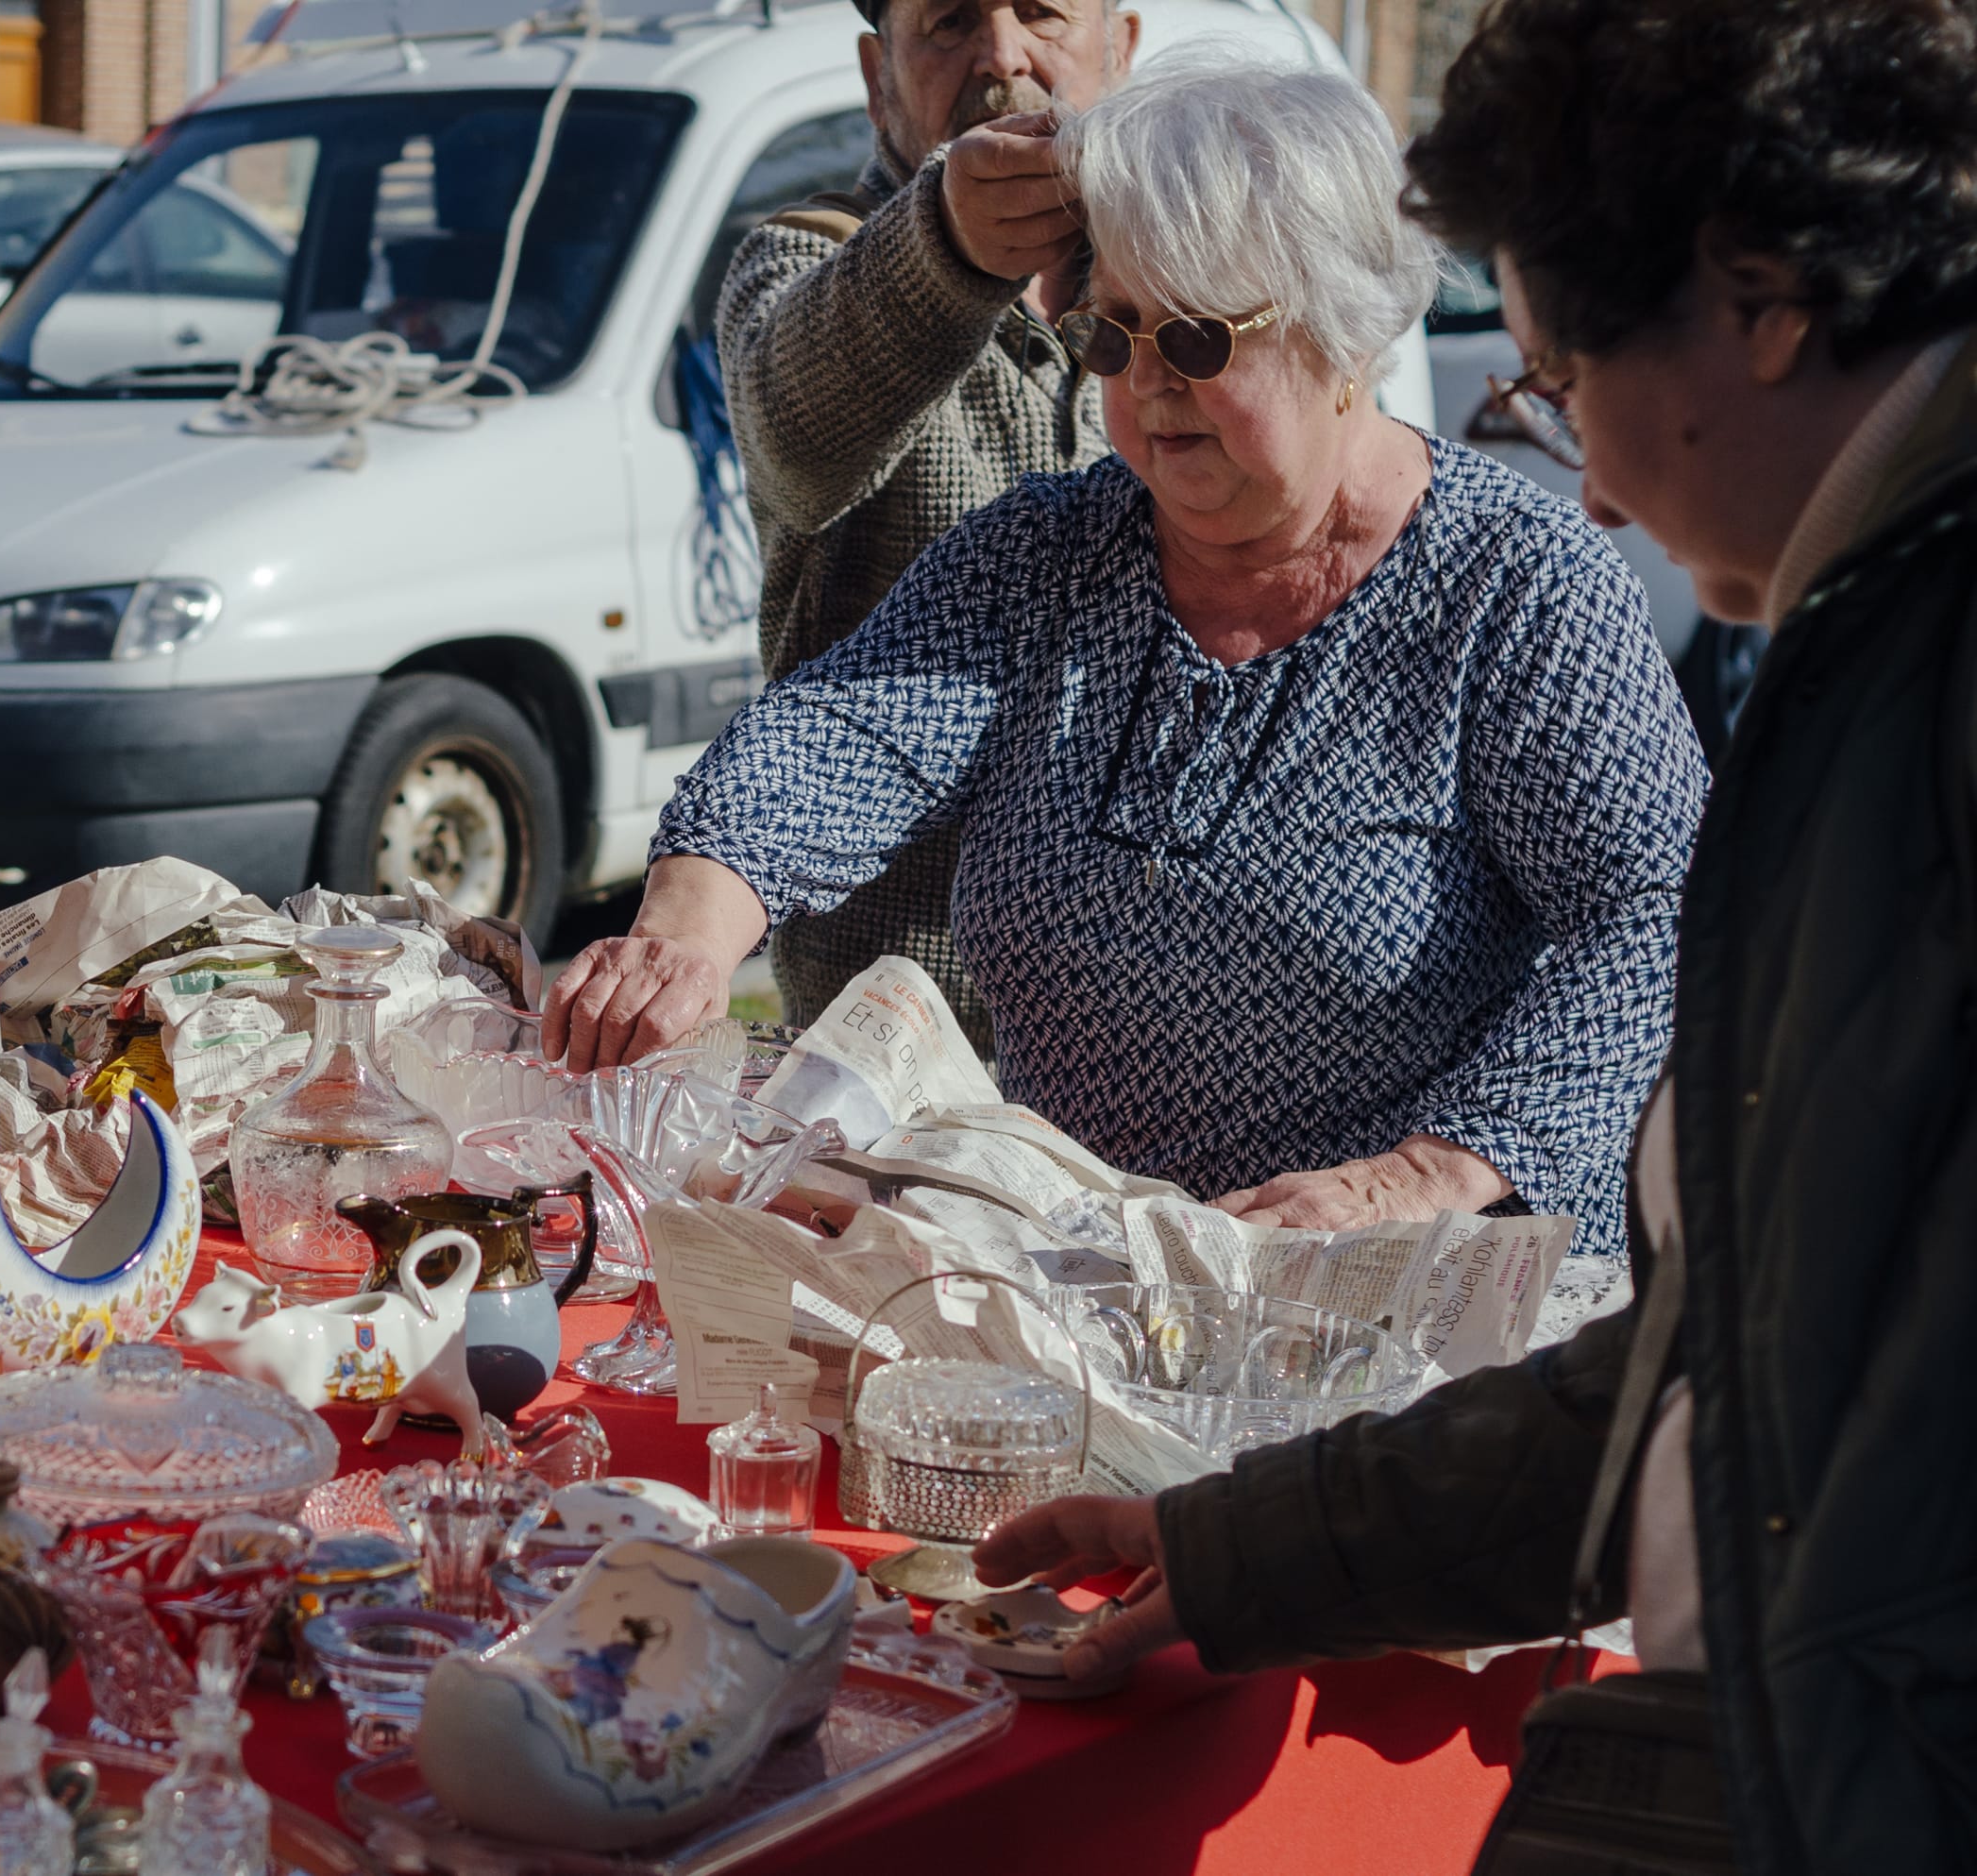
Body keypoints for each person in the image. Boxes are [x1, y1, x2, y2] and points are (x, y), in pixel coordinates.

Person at [973, 1, 1977, 1866]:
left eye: (1558, 381)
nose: (1584, 480)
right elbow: (1719, 1374)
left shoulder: (1909, 668)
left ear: (1759, 302)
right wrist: (1224, 1545)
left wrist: (1429, 1174)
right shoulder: (1869, 636)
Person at [549, 61, 1707, 1259]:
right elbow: (839, 736)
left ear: (1342, 329)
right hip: (1093, 1287)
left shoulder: (1519, 588)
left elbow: (1655, 920)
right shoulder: (1051, 549)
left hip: (1400, 1300)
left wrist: (1417, 1178)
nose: (1149, 386)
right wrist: (681, 936)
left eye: (1199, 338)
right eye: (1114, 334)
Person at [715, 0, 1138, 1054]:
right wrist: (946, 244)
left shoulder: (1179, 284)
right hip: (892, 1040)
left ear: (1121, 47)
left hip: (1152, 1044)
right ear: (878, 76)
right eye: (948, 21)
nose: (1000, 55)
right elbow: (793, 440)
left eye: (1041, 11)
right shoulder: (798, 261)